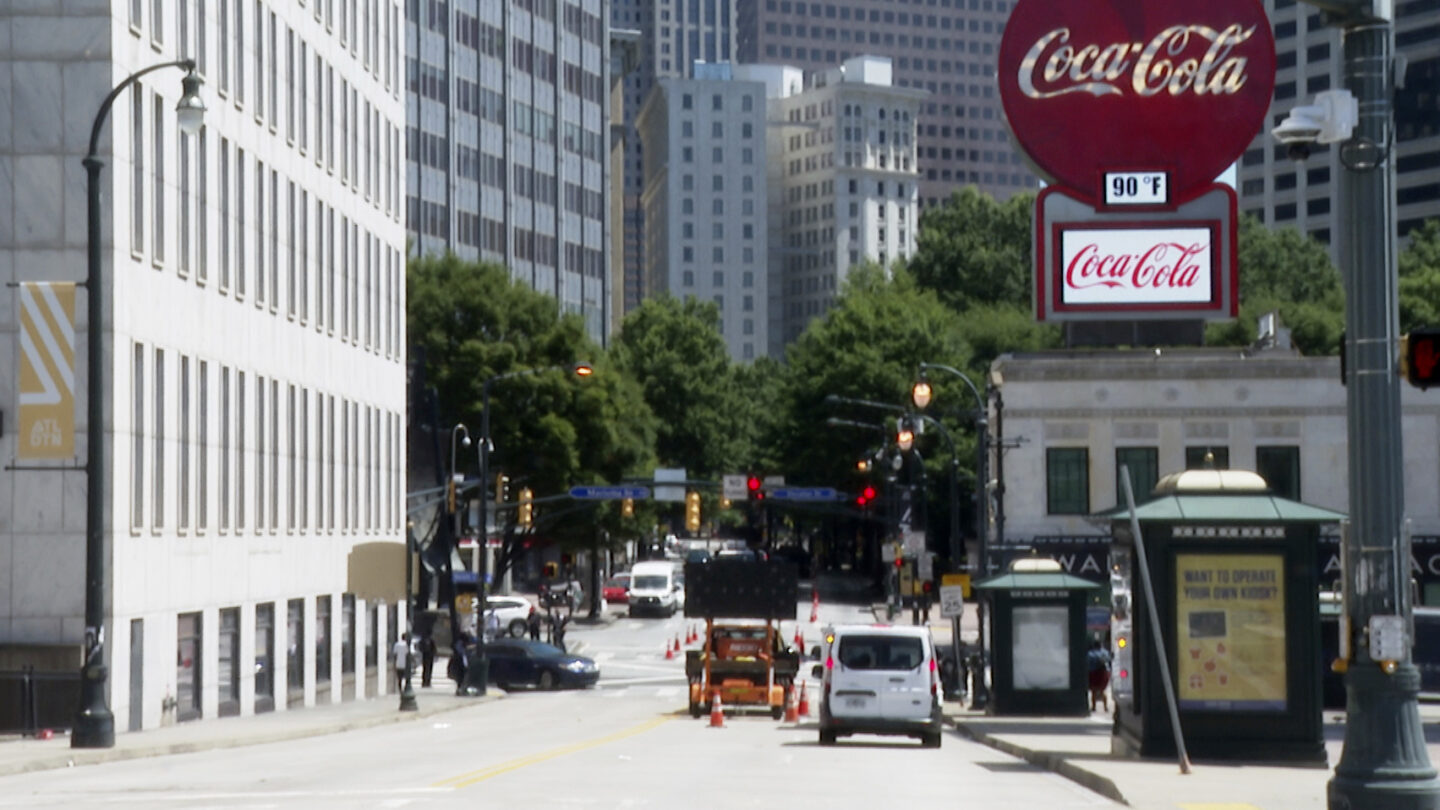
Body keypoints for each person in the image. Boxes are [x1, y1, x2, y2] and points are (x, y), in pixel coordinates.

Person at [1087, 639, 1113, 712]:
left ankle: (1094, 707)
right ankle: (1105, 707)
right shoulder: (1105, 652)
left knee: (1093, 691)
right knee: (1103, 691)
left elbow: (1087, 663)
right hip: (1104, 673)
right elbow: (1110, 660)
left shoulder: (1090, 653)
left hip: (1093, 673)